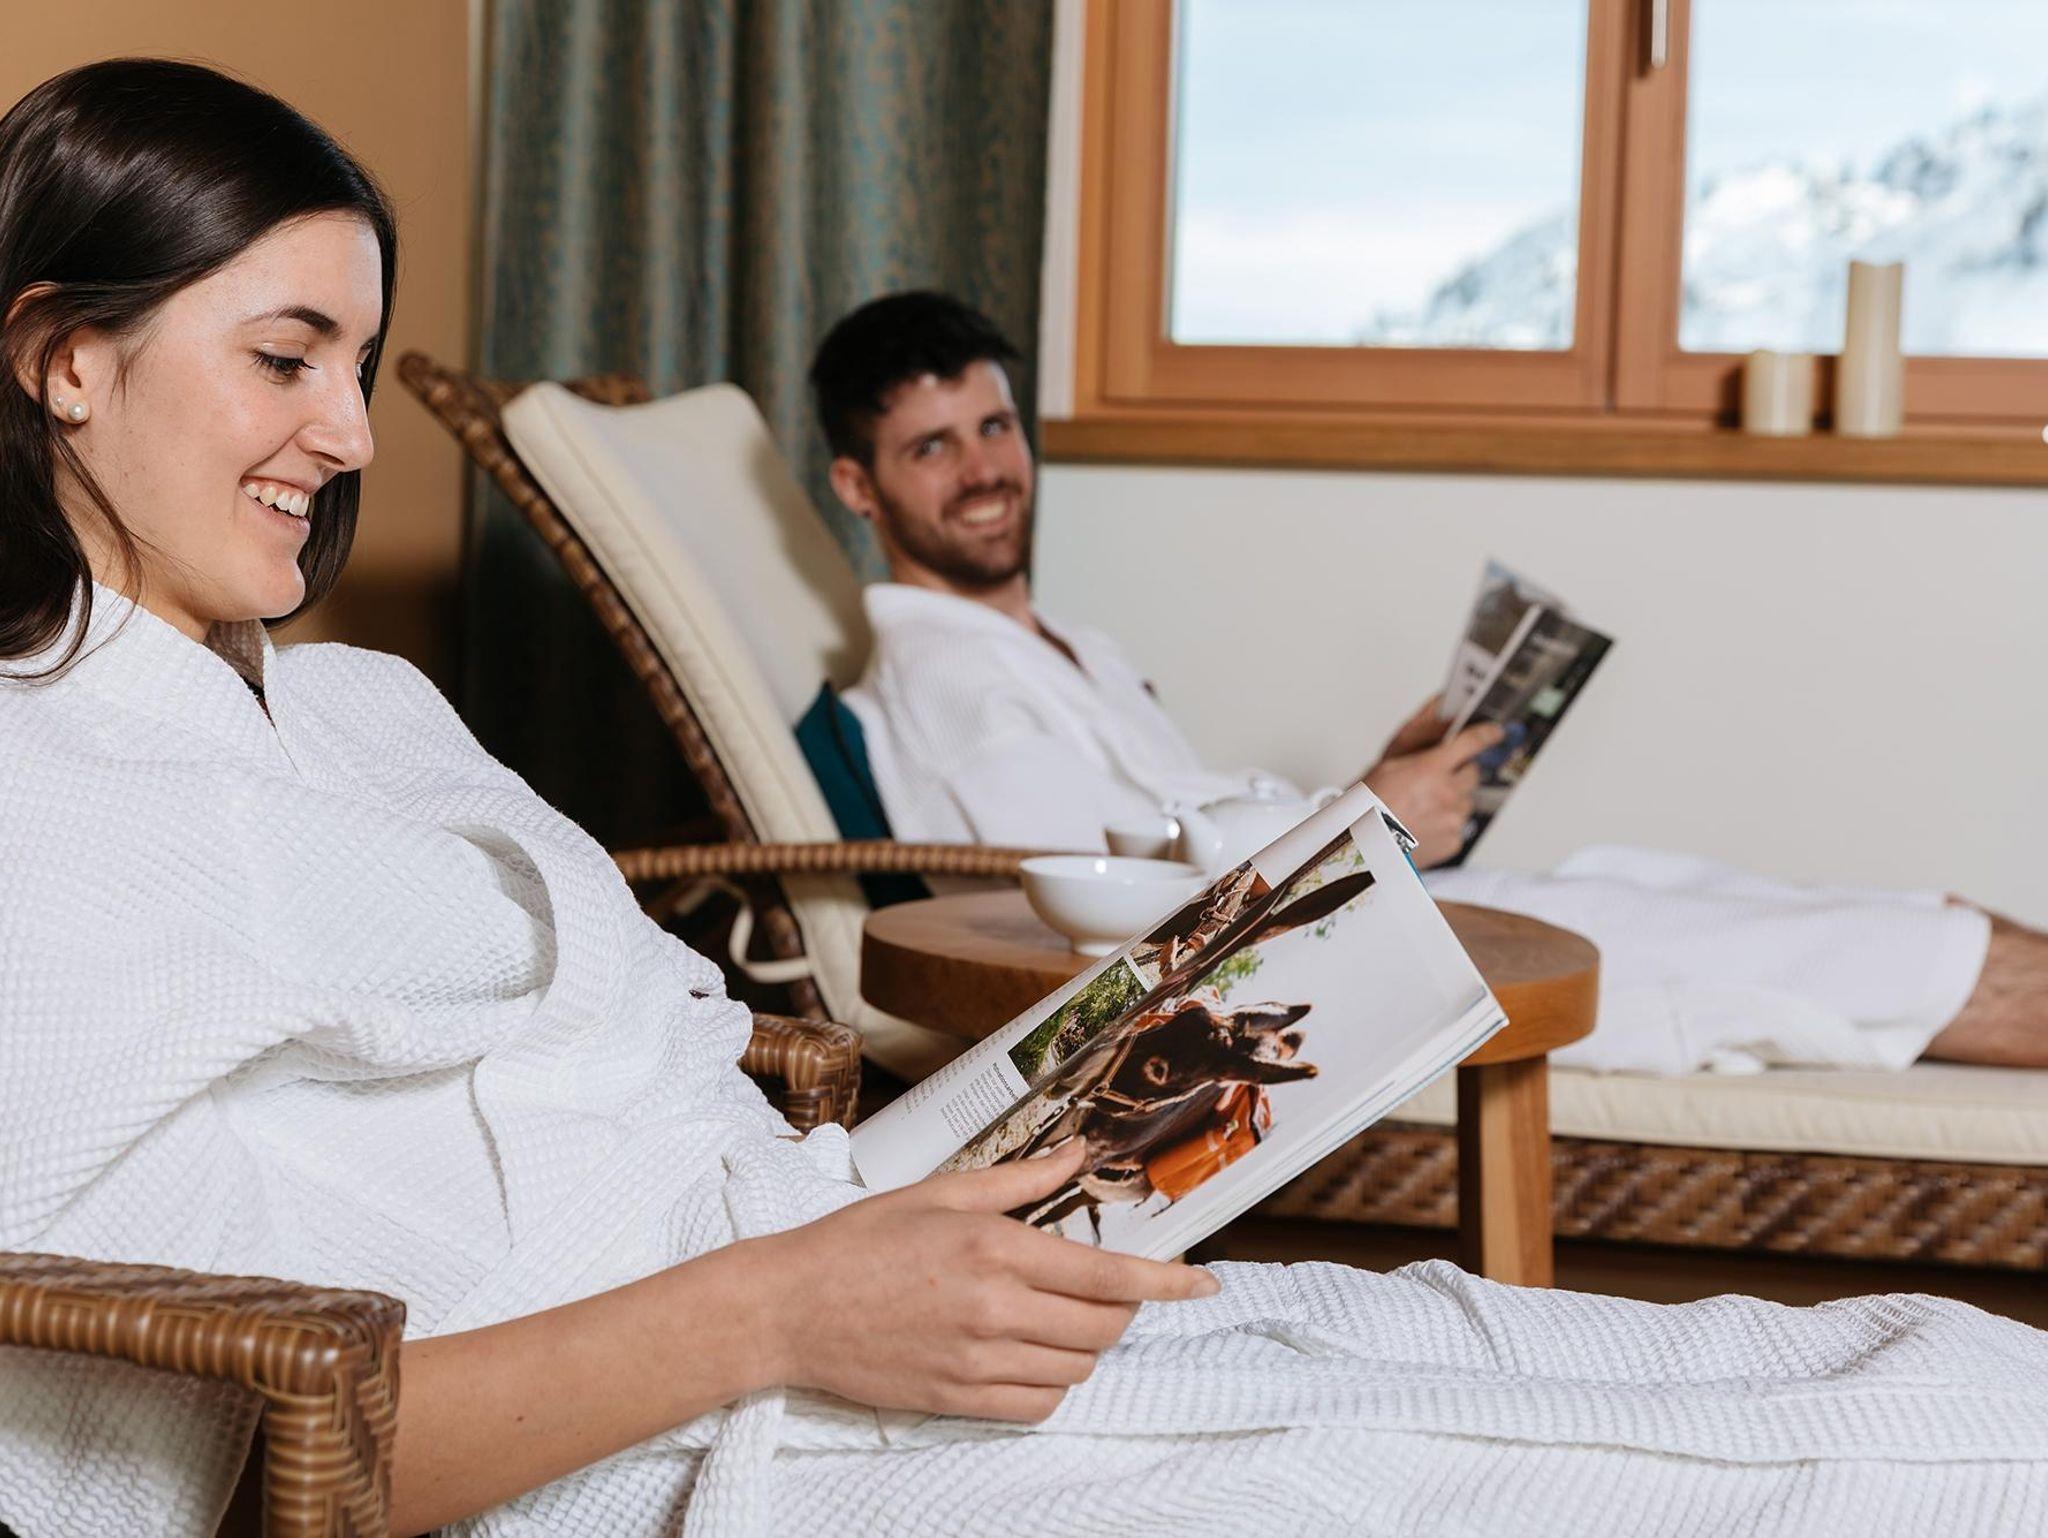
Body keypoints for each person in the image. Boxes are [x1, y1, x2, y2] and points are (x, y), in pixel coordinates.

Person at [4, 61, 2045, 1538]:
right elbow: (224, 1441)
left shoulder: (356, 706)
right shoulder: (46, 801)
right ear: (63, 360)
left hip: (829, 1259)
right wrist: (791, 1306)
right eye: (285, 357)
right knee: (1874, 1452)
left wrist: (949, 1184)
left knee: (1732, 1347)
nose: (351, 434)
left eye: (359, 365)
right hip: (697, 1425)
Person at [812, 292, 2048, 1078]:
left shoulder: (1058, 642)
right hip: (1334, 971)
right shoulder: (953, 692)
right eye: (932, 447)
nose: (984, 471)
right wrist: (1374, 813)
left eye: (994, 428)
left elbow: (1190, 842)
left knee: (1721, 889)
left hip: (1363, 909)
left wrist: (1377, 786)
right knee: (1851, 946)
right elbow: (1115, 945)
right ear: (858, 487)